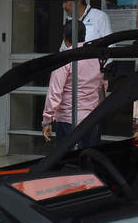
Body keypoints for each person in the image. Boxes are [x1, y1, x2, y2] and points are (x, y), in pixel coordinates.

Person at [43, 20, 104, 149]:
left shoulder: (64, 59)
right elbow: (102, 85)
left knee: (68, 159)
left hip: (68, 120)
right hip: (92, 119)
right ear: (84, 35)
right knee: (89, 157)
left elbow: (55, 92)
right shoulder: (97, 58)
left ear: (65, 38)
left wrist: (47, 120)